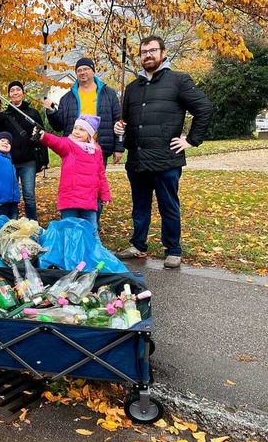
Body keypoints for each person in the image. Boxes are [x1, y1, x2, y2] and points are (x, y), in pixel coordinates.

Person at [114, 35, 213, 268]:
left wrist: (191, 140)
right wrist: (121, 127)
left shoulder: (178, 81)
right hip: (138, 160)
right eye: (143, 51)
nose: (148, 55)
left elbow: (204, 108)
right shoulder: (132, 88)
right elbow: (127, 120)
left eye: (152, 50)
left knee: (168, 206)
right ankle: (138, 245)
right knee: (139, 207)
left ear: (163, 53)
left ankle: (173, 249)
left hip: (166, 160)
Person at [43, 57, 123, 231]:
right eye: (79, 70)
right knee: (73, 187)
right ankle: (73, 227)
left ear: (93, 71)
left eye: (86, 69)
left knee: (93, 188)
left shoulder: (108, 94)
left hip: (97, 149)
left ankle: (91, 225)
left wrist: (119, 147)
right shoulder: (68, 97)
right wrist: (51, 111)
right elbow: (58, 126)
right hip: (73, 151)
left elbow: (118, 121)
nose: (82, 72)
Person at [33, 115, 111, 239]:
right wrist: (43, 136)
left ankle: (95, 255)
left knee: (91, 231)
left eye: (82, 129)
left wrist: (105, 194)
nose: (77, 132)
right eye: (76, 128)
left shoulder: (96, 151)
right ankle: (68, 256)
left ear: (90, 134)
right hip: (70, 199)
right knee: (68, 231)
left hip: (89, 199)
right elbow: (56, 142)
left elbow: (100, 174)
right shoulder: (69, 145)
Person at [0, 81, 47, 221]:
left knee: (29, 195)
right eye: (12, 90)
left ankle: (32, 223)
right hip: (10, 161)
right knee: (11, 195)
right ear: (9, 94)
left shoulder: (33, 113)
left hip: (28, 161)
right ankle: (12, 222)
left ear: (23, 93)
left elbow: (42, 136)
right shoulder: (5, 114)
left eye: (18, 90)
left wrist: (44, 159)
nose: (15, 92)